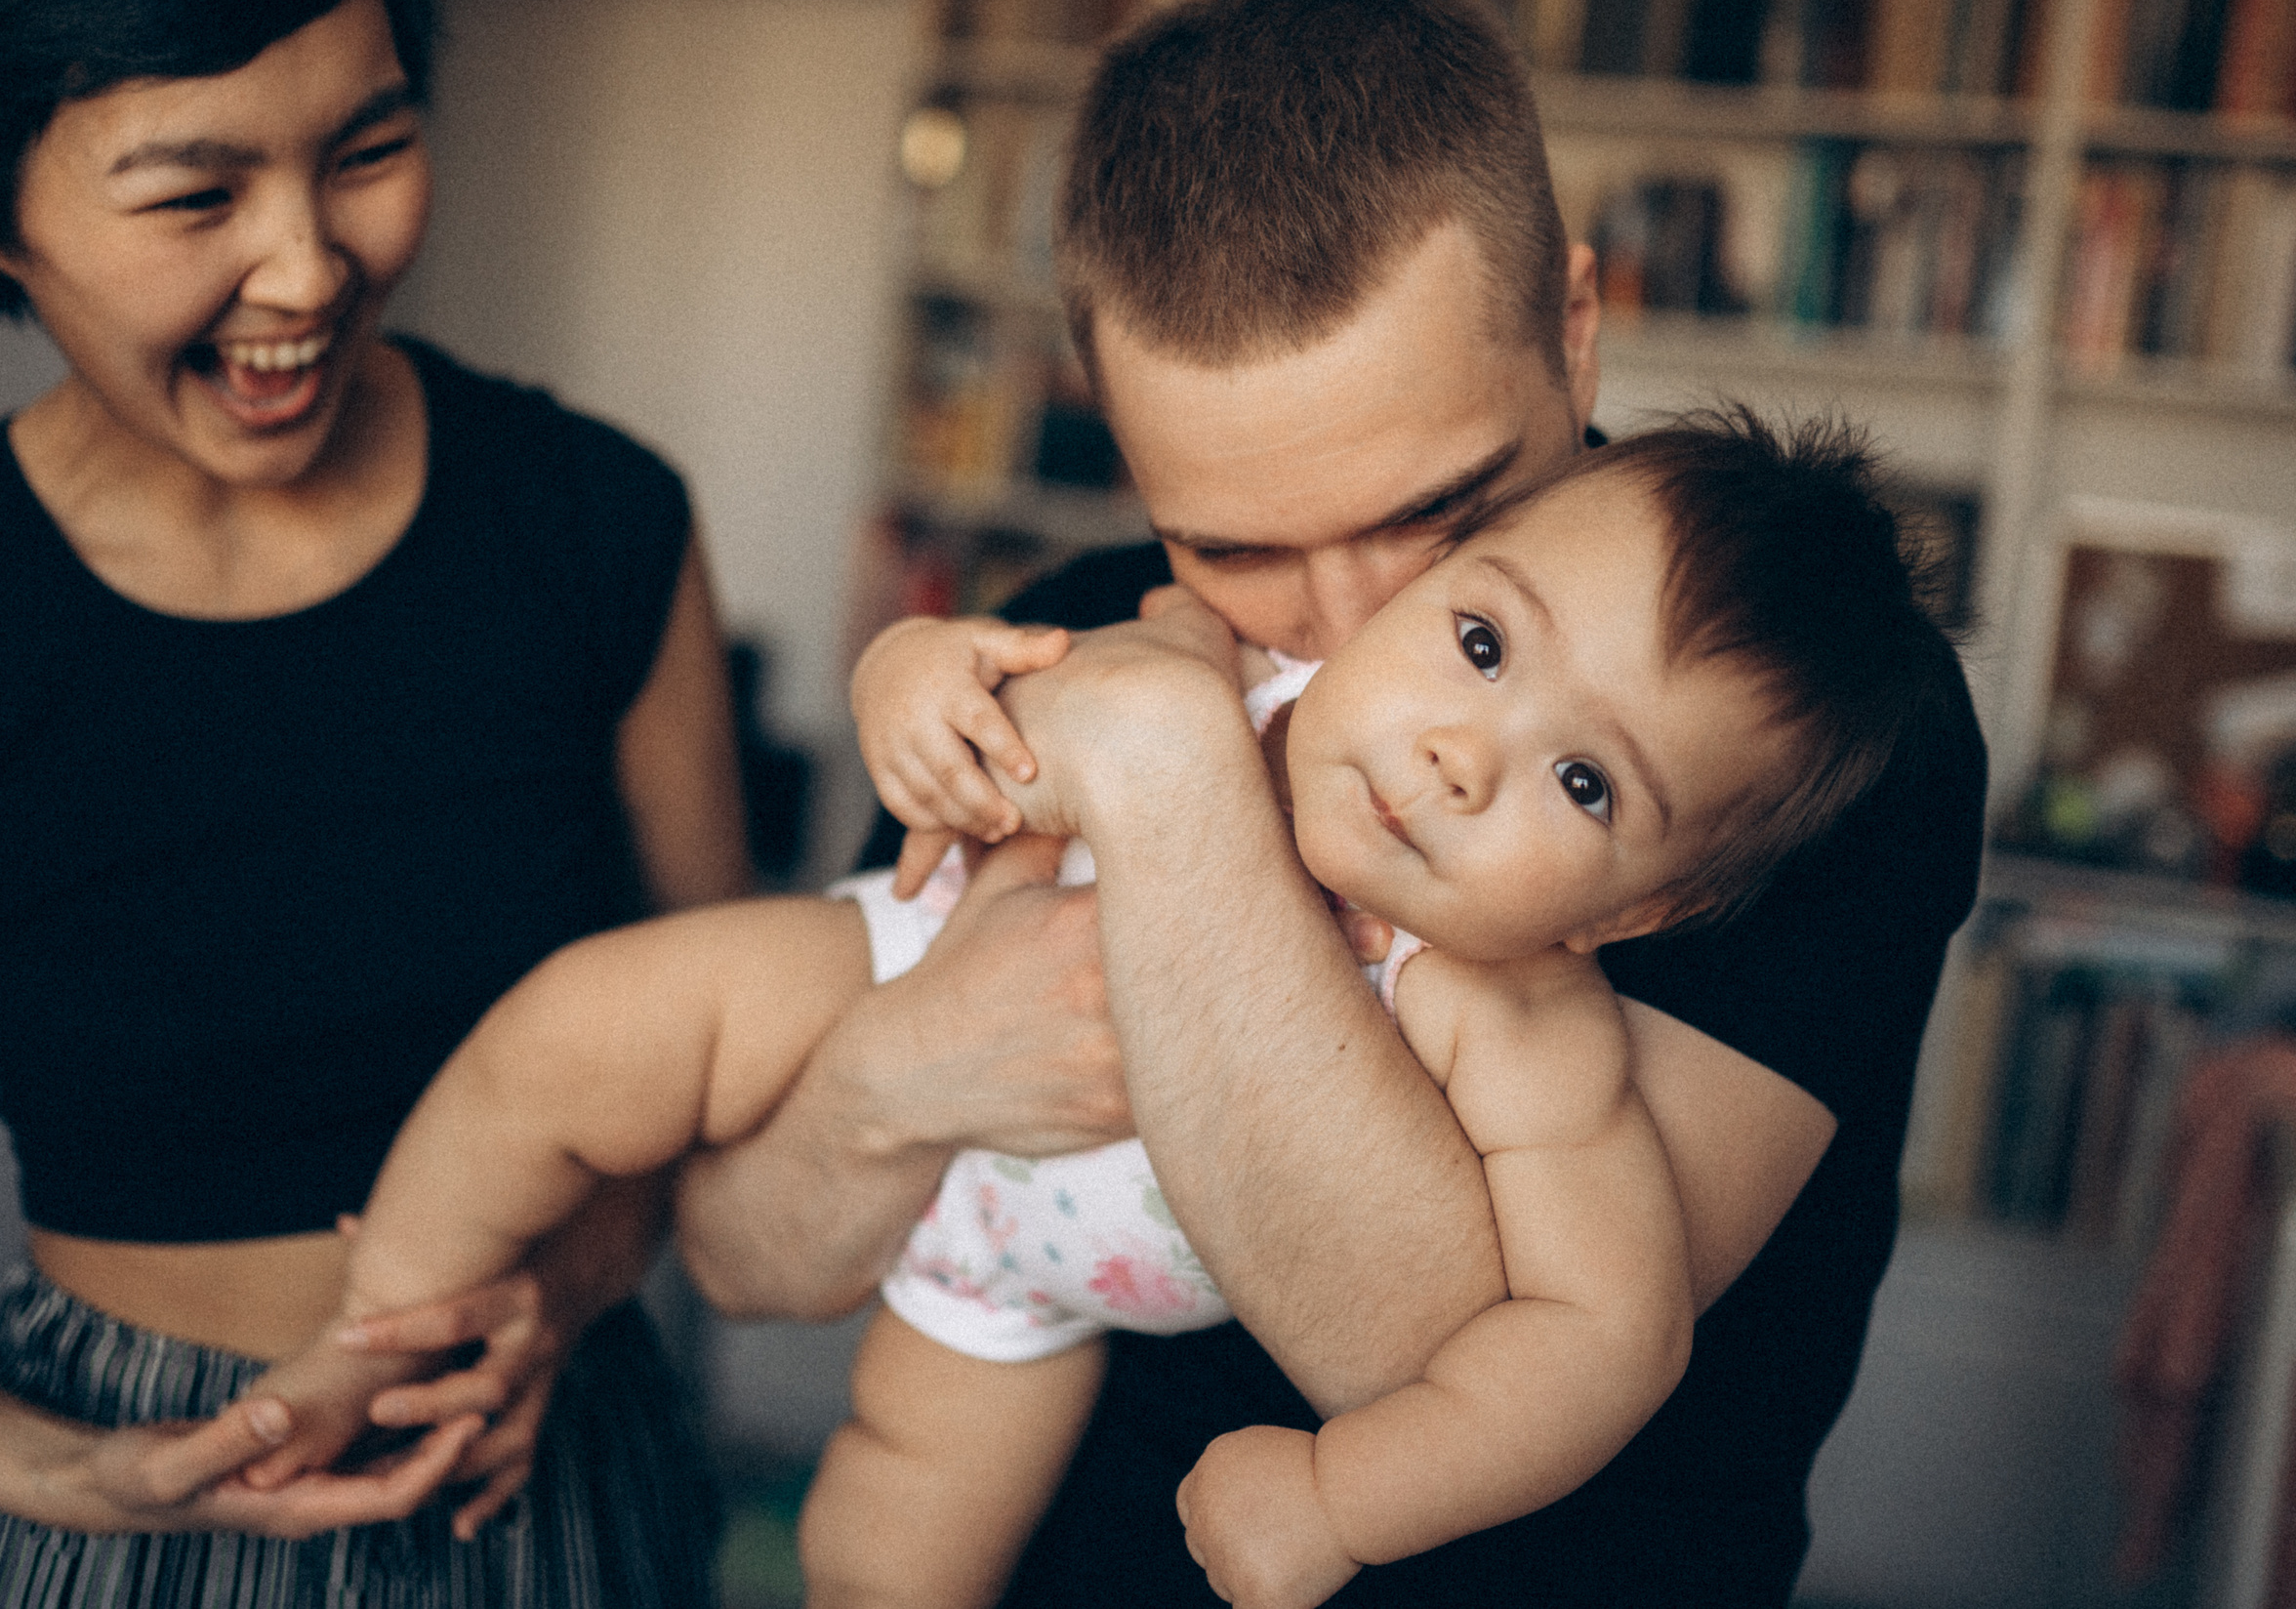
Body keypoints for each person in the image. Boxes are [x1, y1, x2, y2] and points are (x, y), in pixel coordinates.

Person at [673, 0, 1989, 1605]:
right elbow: (746, 1254)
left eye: (1444, 517)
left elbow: (1432, 1351)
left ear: (1574, 334)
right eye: (1231, 547)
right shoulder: (1074, 627)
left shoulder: (1773, 718)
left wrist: (1171, 780)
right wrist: (915, 1069)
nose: (1361, 640)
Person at [234, 411, 1953, 1609]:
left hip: (1045, 1297)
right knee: (584, 1024)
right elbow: (988, 688)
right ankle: (374, 1329)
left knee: (889, 1552)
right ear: (1422, 588)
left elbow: (1604, 1341)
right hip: (903, 984)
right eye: (1483, 647)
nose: (1458, 753)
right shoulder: (1220, 657)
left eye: (1581, 782)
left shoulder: (1520, 1023)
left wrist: (1344, 1498)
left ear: (1643, 907)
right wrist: (910, 679)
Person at [0, 0, 746, 1602]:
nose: (307, 269)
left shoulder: (600, 525)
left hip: (536, 1455)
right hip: (119, 1488)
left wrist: (567, 1292)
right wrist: (65, 1471)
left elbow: (726, 1073)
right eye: (194, 196)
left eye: (367, 151)